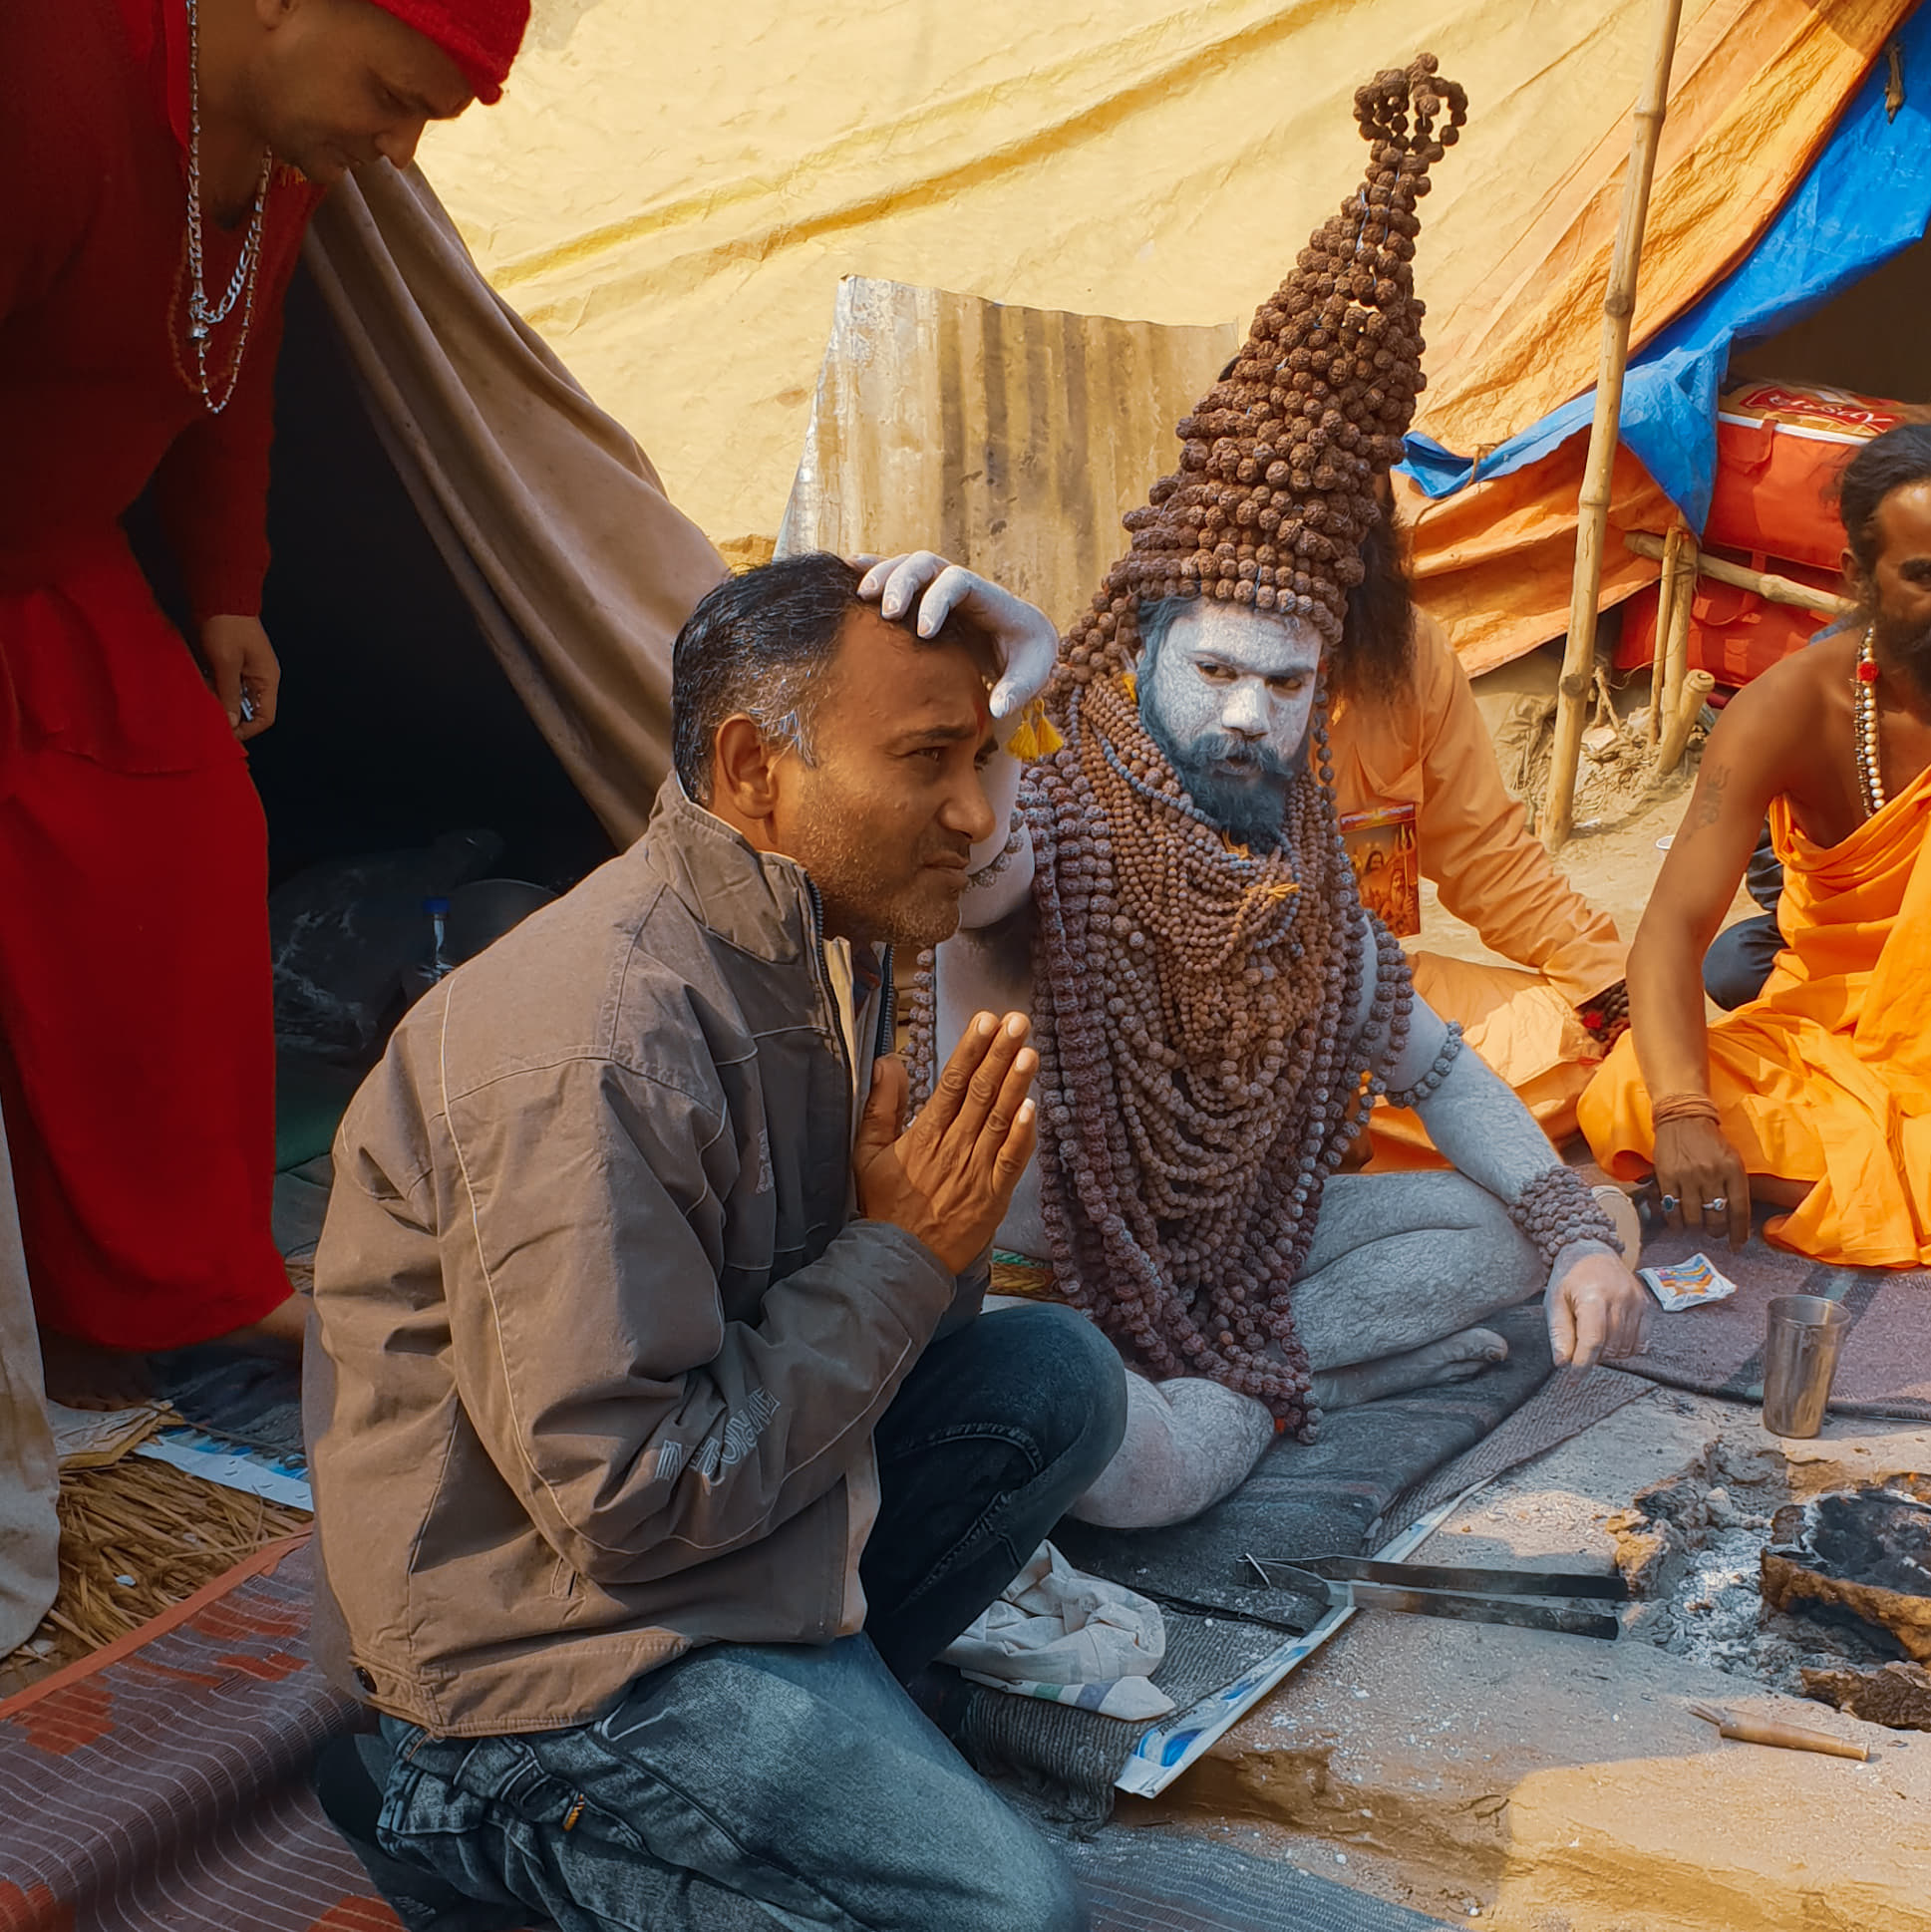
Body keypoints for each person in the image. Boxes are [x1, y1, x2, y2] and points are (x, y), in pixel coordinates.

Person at [305, 552, 1125, 1932]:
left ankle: (816, 1727)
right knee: (1013, 1912)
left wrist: (922, 1241)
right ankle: (443, 1804)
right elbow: (623, 1501)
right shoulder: (594, 1039)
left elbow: (842, 1336)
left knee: (1057, 1381)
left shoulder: (815, 937)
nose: (977, 813)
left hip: (715, 1545)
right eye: (931, 756)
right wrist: (902, 1256)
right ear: (756, 768)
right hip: (547, 1643)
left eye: (986, 754)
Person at [915, 56, 1650, 1530]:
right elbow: (968, 858)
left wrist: (1574, 1236)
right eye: (1220, 670)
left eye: (1288, 683)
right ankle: (1285, 1389)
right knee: (1124, 1477)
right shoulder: (1053, 823)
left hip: (1245, 1253)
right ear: (1149, 647)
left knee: (1561, 1218)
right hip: (1043, 1279)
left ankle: (1256, 1383)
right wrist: (1020, 693)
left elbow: (1432, 1066)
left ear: (1326, 683)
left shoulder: (1295, 870)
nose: (1251, 712)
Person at [0, 0, 528, 1396]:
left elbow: (227, 369)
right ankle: (61, 1302)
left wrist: (228, 587)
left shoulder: (286, 161)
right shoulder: (45, 86)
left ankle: (192, 1274)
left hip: (56, 558)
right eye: (392, 93)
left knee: (194, 841)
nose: (400, 149)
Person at [1581, 424, 1931, 1269]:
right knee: (1628, 1090)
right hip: (1827, 1041)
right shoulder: (1786, 710)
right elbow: (1669, 930)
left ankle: (1865, 1178)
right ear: (1858, 578)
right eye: (1923, 576)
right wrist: (1682, 1117)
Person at [1328, 486, 1628, 1161]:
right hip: (1221, 1044)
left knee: (1587, 1042)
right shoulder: (1165, 665)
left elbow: (1486, 853)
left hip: (1374, 1005)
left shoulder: (1405, 653)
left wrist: (1613, 996)